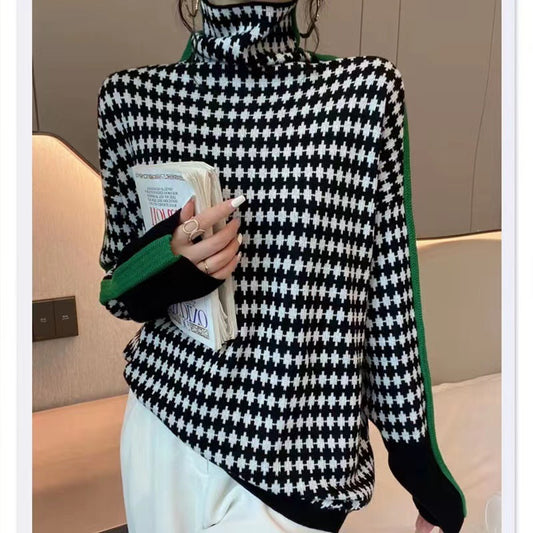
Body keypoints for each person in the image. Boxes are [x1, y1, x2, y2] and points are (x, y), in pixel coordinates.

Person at [96, 0, 467, 531]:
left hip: (298, 459)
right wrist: (168, 262)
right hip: (163, 431)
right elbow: (117, 291)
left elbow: (388, 299)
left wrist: (421, 470)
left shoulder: (361, 96)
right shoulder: (133, 101)